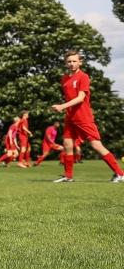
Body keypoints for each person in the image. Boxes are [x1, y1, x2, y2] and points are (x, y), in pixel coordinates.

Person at [51, 51, 124, 183]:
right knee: (67, 144)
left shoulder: (83, 77)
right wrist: (66, 109)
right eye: (69, 61)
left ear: (80, 62)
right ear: (65, 63)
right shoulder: (65, 78)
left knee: (96, 145)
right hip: (70, 117)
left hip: (83, 117)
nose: (72, 64)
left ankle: (120, 174)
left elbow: (81, 98)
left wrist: (62, 106)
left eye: (74, 61)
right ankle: (68, 176)